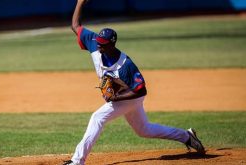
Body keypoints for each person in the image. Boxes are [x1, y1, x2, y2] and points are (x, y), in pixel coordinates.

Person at [63, 0, 205, 164]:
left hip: (131, 96)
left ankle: (77, 161)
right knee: (143, 130)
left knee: (98, 117)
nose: (98, 45)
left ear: (112, 44)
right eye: (98, 43)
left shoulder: (126, 65)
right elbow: (76, 26)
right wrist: (80, 2)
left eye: (102, 44)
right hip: (125, 96)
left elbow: (141, 90)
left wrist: (116, 98)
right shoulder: (95, 44)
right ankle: (186, 136)